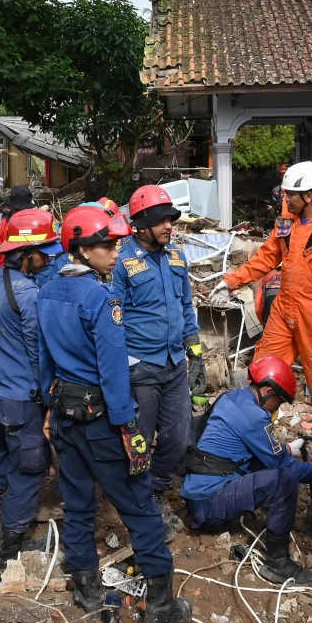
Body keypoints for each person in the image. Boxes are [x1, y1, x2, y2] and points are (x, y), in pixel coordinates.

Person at [41, 204, 193, 623]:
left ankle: (87, 590)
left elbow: (44, 361)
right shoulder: (102, 298)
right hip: (102, 420)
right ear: (84, 250)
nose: (115, 249)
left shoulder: (50, 290)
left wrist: (49, 407)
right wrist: (129, 430)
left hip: (65, 412)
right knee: (139, 506)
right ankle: (161, 604)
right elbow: (112, 370)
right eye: (107, 244)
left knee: (78, 502)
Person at [223, 162, 312, 457]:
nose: (284, 199)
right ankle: (258, 429)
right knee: (265, 366)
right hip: (284, 307)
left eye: (289, 195)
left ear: (307, 196)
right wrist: (231, 281)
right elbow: (265, 258)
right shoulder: (286, 224)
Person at [182, 356, 312, 584]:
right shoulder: (254, 417)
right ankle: (277, 562)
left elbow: (252, 449)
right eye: (280, 401)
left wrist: (286, 448)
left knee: (268, 465)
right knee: (285, 479)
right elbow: (286, 467)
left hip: (198, 491)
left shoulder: (232, 399)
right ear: (266, 390)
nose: (278, 407)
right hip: (208, 503)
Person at [110, 184, 205, 538]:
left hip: (174, 364)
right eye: (162, 220)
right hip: (141, 368)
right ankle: (137, 504)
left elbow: (185, 307)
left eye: (171, 220)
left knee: (178, 439)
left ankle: (154, 489)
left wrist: (195, 356)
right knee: (138, 442)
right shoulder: (121, 261)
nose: (170, 226)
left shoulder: (177, 257)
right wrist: (120, 369)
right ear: (142, 223)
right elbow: (113, 319)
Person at [0, 208, 63, 569]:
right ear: (27, 255)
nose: (47, 260)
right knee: (27, 476)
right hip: (21, 403)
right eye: (43, 253)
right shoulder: (28, 294)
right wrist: (51, 395)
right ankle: (10, 552)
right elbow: (37, 352)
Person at [0, 184, 37, 277]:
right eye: (18, 210)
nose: (20, 213)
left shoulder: (34, 226)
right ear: (11, 208)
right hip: (4, 274)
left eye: (23, 210)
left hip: (29, 274)